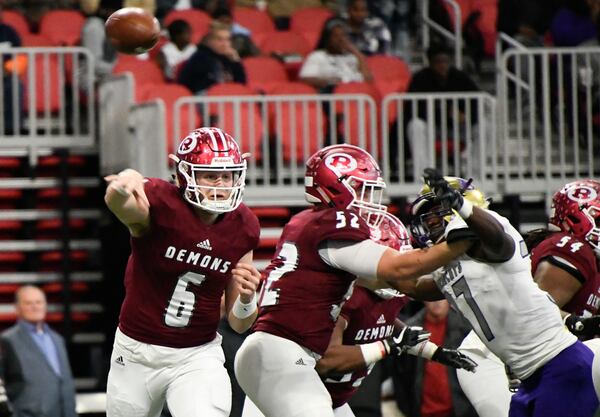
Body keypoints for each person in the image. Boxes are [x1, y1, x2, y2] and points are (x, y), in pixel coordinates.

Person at [234, 144, 474, 417]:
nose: (370, 199)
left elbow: (410, 286)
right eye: (361, 188)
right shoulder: (329, 225)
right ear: (334, 186)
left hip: (291, 357)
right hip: (281, 353)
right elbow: (399, 269)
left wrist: (464, 271)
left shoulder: (319, 229)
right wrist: (461, 242)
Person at [404, 170, 599, 417]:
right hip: (528, 373)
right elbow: (410, 285)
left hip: (557, 364)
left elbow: (497, 240)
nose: (429, 223)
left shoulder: (494, 237)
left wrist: (460, 205)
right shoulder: (450, 265)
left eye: (435, 214)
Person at [104, 127, 261, 417]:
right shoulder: (162, 204)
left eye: (227, 176)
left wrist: (249, 298)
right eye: (210, 175)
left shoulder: (244, 225)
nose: (220, 184)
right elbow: (121, 206)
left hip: (196, 354)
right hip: (137, 351)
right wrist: (123, 184)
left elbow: (239, 324)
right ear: (185, 175)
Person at [317, 213, 477, 417]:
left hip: (338, 399)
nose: (402, 268)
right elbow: (327, 362)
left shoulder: (389, 294)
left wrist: (435, 353)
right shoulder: (346, 299)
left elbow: (385, 325)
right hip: (313, 392)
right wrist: (388, 347)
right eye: (395, 260)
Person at [403, 44, 480, 180]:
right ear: (430, 63)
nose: (442, 65)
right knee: (415, 125)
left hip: (458, 128)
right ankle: (424, 176)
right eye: (438, 62)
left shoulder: (460, 78)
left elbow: (476, 103)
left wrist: (465, 116)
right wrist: (441, 112)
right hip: (432, 128)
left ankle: (474, 174)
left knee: (484, 126)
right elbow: (411, 108)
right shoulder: (420, 79)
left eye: (445, 61)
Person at [0, 285, 77, 417]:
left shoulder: (57, 339)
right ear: (17, 308)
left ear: (45, 305)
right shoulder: (7, 340)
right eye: (28, 303)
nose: (35, 307)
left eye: (39, 302)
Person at [393, 300, 478, 417]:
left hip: (461, 410)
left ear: (448, 299)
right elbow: (400, 374)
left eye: (440, 297)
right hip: (421, 411)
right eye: (431, 297)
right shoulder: (409, 332)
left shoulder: (466, 329)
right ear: (423, 299)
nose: (436, 302)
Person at [299, 18, 373, 93]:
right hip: (333, 96)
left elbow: (368, 81)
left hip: (358, 96)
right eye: (336, 36)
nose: (341, 39)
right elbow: (305, 79)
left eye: (343, 35)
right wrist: (330, 83)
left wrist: (356, 53)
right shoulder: (317, 56)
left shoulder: (353, 57)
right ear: (327, 38)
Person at [177, 22, 246, 95]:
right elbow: (201, 89)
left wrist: (236, 62)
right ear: (209, 41)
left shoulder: (229, 58)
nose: (224, 44)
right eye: (219, 39)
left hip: (227, 101)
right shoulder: (199, 58)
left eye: (227, 39)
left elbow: (241, 86)